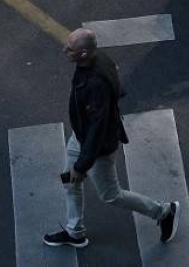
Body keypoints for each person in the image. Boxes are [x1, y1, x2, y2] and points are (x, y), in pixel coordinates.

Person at [43, 28, 180, 250]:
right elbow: (116, 85)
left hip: (96, 147)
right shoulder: (98, 60)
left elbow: (98, 130)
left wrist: (82, 165)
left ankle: (164, 212)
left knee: (111, 195)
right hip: (82, 137)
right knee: (70, 182)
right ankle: (75, 232)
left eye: (70, 49)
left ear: (84, 53)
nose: (64, 50)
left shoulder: (95, 84)